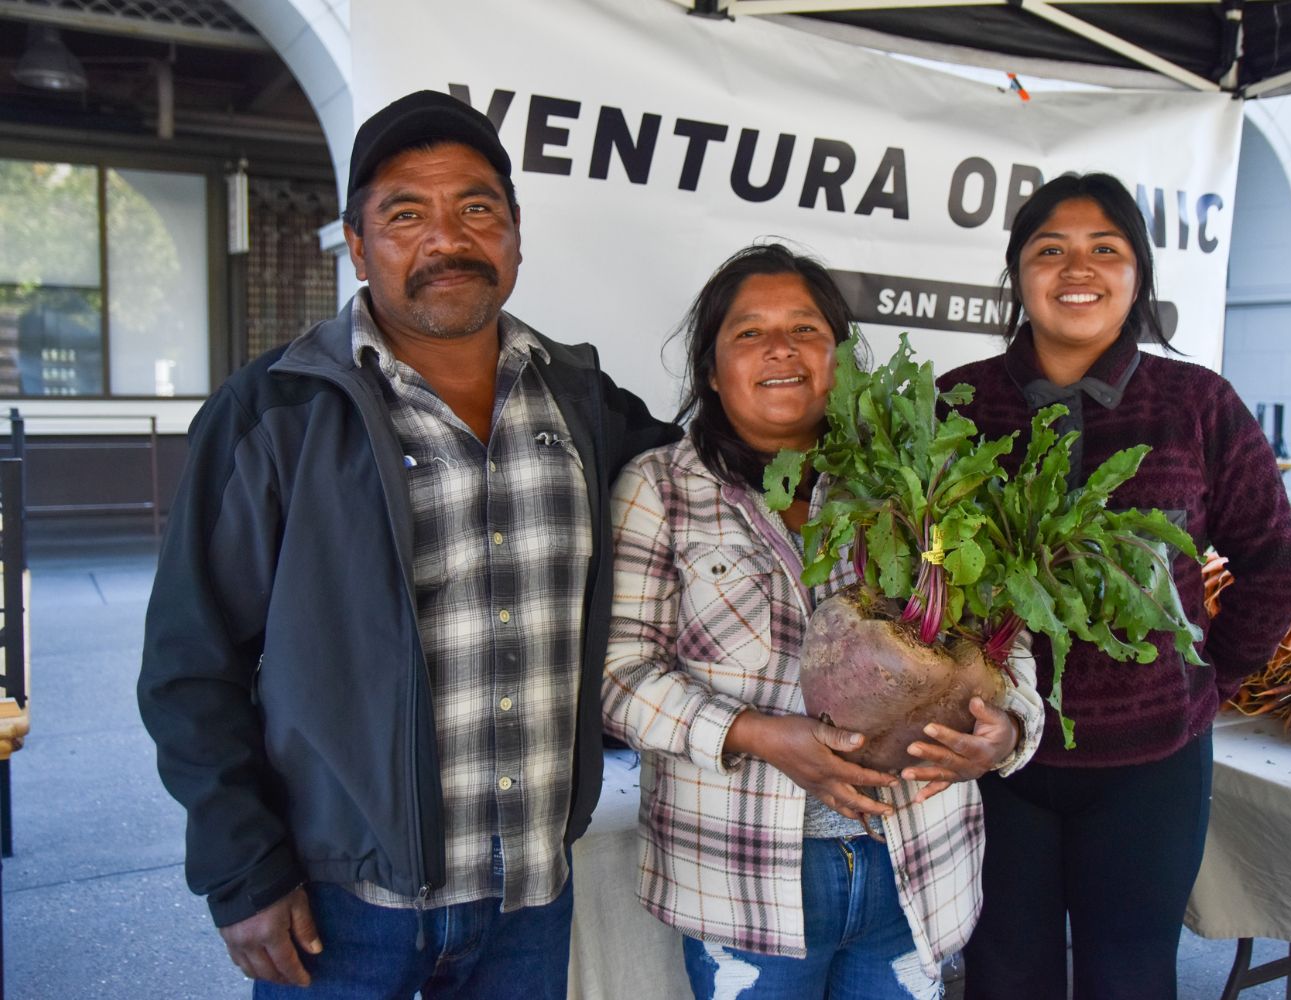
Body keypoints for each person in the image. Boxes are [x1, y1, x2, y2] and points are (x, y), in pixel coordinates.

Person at [137, 90, 676, 998]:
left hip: (528, 899)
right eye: (404, 214)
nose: (446, 239)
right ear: (356, 243)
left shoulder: (584, 402)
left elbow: (711, 498)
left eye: (476, 208)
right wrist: (241, 872)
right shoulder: (276, 411)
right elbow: (191, 665)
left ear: (513, 233)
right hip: (343, 908)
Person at [602, 243, 1046, 999]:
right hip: (745, 884)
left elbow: (1011, 642)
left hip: (914, 866)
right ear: (712, 369)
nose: (780, 348)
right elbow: (619, 677)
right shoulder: (660, 489)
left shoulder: (918, 478)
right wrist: (759, 735)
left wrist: (1008, 732)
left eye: (805, 329)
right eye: (749, 332)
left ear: (839, 357)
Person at [939, 173, 1291, 1000]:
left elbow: (1277, 566)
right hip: (996, 758)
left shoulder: (1197, 403)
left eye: (1105, 249)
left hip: (1152, 766)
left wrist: (1207, 685)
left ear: (1137, 273)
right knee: (1004, 975)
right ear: (1018, 273)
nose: (1079, 268)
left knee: (1131, 976)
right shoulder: (958, 402)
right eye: (1051, 250)